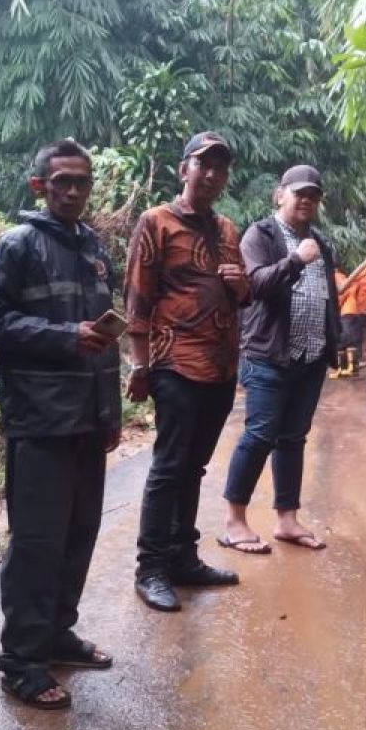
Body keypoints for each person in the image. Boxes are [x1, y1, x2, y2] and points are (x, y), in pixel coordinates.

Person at [0, 139, 122, 709]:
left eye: (82, 181)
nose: (74, 190)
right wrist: (64, 338)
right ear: (40, 186)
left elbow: (103, 340)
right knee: (37, 544)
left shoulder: (93, 248)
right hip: (40, 422)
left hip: (88, 423)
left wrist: (110, 414)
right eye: (62, 181)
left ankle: (58, 635)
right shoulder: (19, 244)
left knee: (78, 536)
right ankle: (22, 662)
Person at [124, 131, 249, 612]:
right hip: (175, 362)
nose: (213, 174)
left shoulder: (227, 230)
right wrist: (140, 363)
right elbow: (138, 298)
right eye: (204, 165)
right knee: (169, 467)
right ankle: (150, 567)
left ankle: (183, 557)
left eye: (220, 167)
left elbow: (244, 296)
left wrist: (241, 283)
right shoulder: (156, 222)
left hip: (220, 368)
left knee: (194, 468)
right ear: (184, 170)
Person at [219, 164, 339, 554]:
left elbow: (328, 299)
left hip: (310, 357)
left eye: (313, 195)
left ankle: (287, 520)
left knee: (292, 439)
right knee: (259, 436)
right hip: (268, 356)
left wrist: (332, 342)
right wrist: (296, 260)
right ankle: (234, 521)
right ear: (279, 195)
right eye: (298, 192)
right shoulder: (260, 235)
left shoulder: (321, 242)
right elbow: (254, 287)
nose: (306, 199)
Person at [331, 266, 366, 379]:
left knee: (343, 341)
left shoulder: (336, 276)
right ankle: (351, 369)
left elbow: (348, 289)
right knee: (351, 341)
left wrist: (338, 304)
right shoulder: (341, 276)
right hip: (350, 311)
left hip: (348, 312)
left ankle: (345, 369)